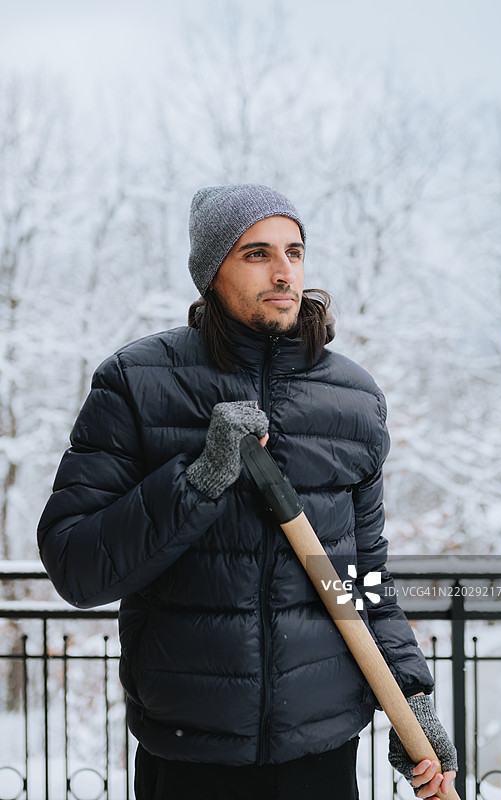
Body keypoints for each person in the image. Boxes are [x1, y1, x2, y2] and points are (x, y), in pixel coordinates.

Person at [38, 184, 457, 799]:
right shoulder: (136, 383)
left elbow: (362, 576)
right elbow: (76, 566)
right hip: (190, 751)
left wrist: (410, 698)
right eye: (257, 253)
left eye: (295, 250)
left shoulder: (353, 399)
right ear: (212, 271)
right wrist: (197, 479)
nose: (285, 271)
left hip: (320, 750)